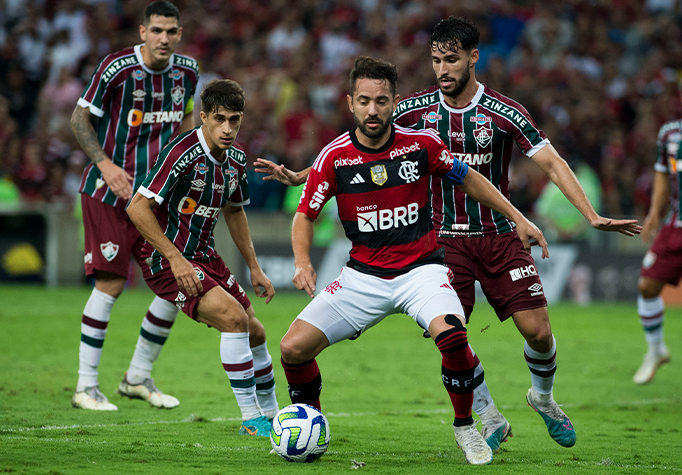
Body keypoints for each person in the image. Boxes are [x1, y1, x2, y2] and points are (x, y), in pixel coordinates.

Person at [256, 17, 641, 453]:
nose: (442, 69)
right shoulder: (411, 109)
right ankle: (485, 414)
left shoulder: (503, 112)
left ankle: (543, 399)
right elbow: (358, 142)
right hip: (443, 240)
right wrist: (302, 178)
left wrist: (588, 214)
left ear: (473, 58)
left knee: (537, 331)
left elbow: (550, 162)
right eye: (436, 60)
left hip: (497, 233)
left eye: (451, 60)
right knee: (452, 335)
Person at [279, 56, 549, 466]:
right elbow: (305, 216)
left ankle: (465, 426)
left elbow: (472, 179)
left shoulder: (420, 145)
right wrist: (302, 261)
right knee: (292, 349)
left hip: (421, 271)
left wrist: (518, 218)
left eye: (382, 101)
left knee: (453, 336)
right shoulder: (334, 158)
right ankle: (311, 421)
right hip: (362, 278)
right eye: (365, 101)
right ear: (350, 102)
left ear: (395, 102)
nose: (373, 110)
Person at [127, 79, 279, 437]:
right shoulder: (182, 152)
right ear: (204, 116)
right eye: (220, 119)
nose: (228, 128)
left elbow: (235, 212)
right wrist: (176, 259)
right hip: (166, 259)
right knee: (233, 319)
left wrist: (255, 268)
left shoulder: (236, 160)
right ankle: (251, 420)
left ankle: (274, 416)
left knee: (256, 331)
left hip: (206, 257)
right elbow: (137, 208)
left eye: (235, 120)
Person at [69, 0, 199, 411]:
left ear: (179, 34)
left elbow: (188, 125)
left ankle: (137, 377)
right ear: (143, 32)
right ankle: (85, 386)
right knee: (110, 283)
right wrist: (105, 164)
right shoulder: (117, 69)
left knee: (176, 283)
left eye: (171, 31)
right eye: (156, 30)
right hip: (109, 193)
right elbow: (78, 119)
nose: (164, 38)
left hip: (156, 196)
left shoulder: (188, 73)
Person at [633, 119, 679, 384]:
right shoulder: (670, 133)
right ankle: (656, 349)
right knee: (647, 286)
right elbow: (663, 172)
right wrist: (653, 212)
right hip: (675, 226)